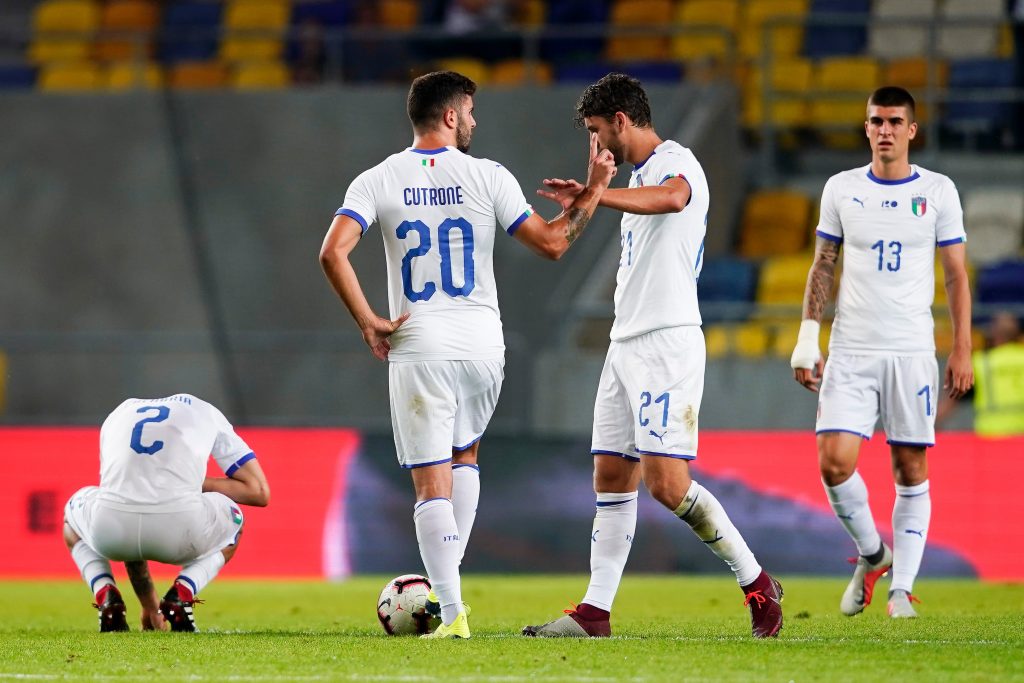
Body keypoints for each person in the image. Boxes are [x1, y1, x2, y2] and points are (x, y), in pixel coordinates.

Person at [319, 70, 617, 639]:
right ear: (451, 116)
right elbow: (554, 243)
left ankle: (452, 615)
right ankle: (446, 599)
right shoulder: (488, 176)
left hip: (419, 343)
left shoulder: (379, 178)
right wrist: (596, 186)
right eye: (471, 112)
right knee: (466, 459)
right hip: (484, 345)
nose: (475, 122)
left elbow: (333, 253)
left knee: (432, 485)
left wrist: (368, 322)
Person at [521, 73, 784, 639]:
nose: (594, 145)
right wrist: (587, 199)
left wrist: (595, 191)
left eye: (596, 132)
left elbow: (673, 199)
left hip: (667, 343)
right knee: (611, 476)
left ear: (621, 120)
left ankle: (758, 582)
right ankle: (595, 612)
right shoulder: (639, 177)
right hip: (626, 344)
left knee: (667, 484)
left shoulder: (677, 162)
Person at [790, 86, 974, 619]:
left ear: (913, 130)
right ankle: (874, 555)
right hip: (850, 348)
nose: (886, 129)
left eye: (896, 121)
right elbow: (823, 262)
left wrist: (961, 347)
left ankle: (901, 590)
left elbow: (957, 274)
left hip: (911, 350)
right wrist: (808, 337)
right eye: (877, 121)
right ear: (866, 127)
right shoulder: (842, 189)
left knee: (910, 466)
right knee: (833, 462)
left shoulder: (939, 191)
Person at [63, 393, 270, 632]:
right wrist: (193, 484)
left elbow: (129, 498)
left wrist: (149, 606)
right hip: (181, 530)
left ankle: (105, 593)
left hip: (111, 533)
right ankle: (182, 593)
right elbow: (259, 491)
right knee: (234, 518)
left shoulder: (119, 413)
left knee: (73, 520)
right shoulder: (206, 411)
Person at [937, 311, 1024, 437]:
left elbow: (952, 402)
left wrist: (928, 425)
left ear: (996, 336)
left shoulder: (982, 363)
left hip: (991, 437)